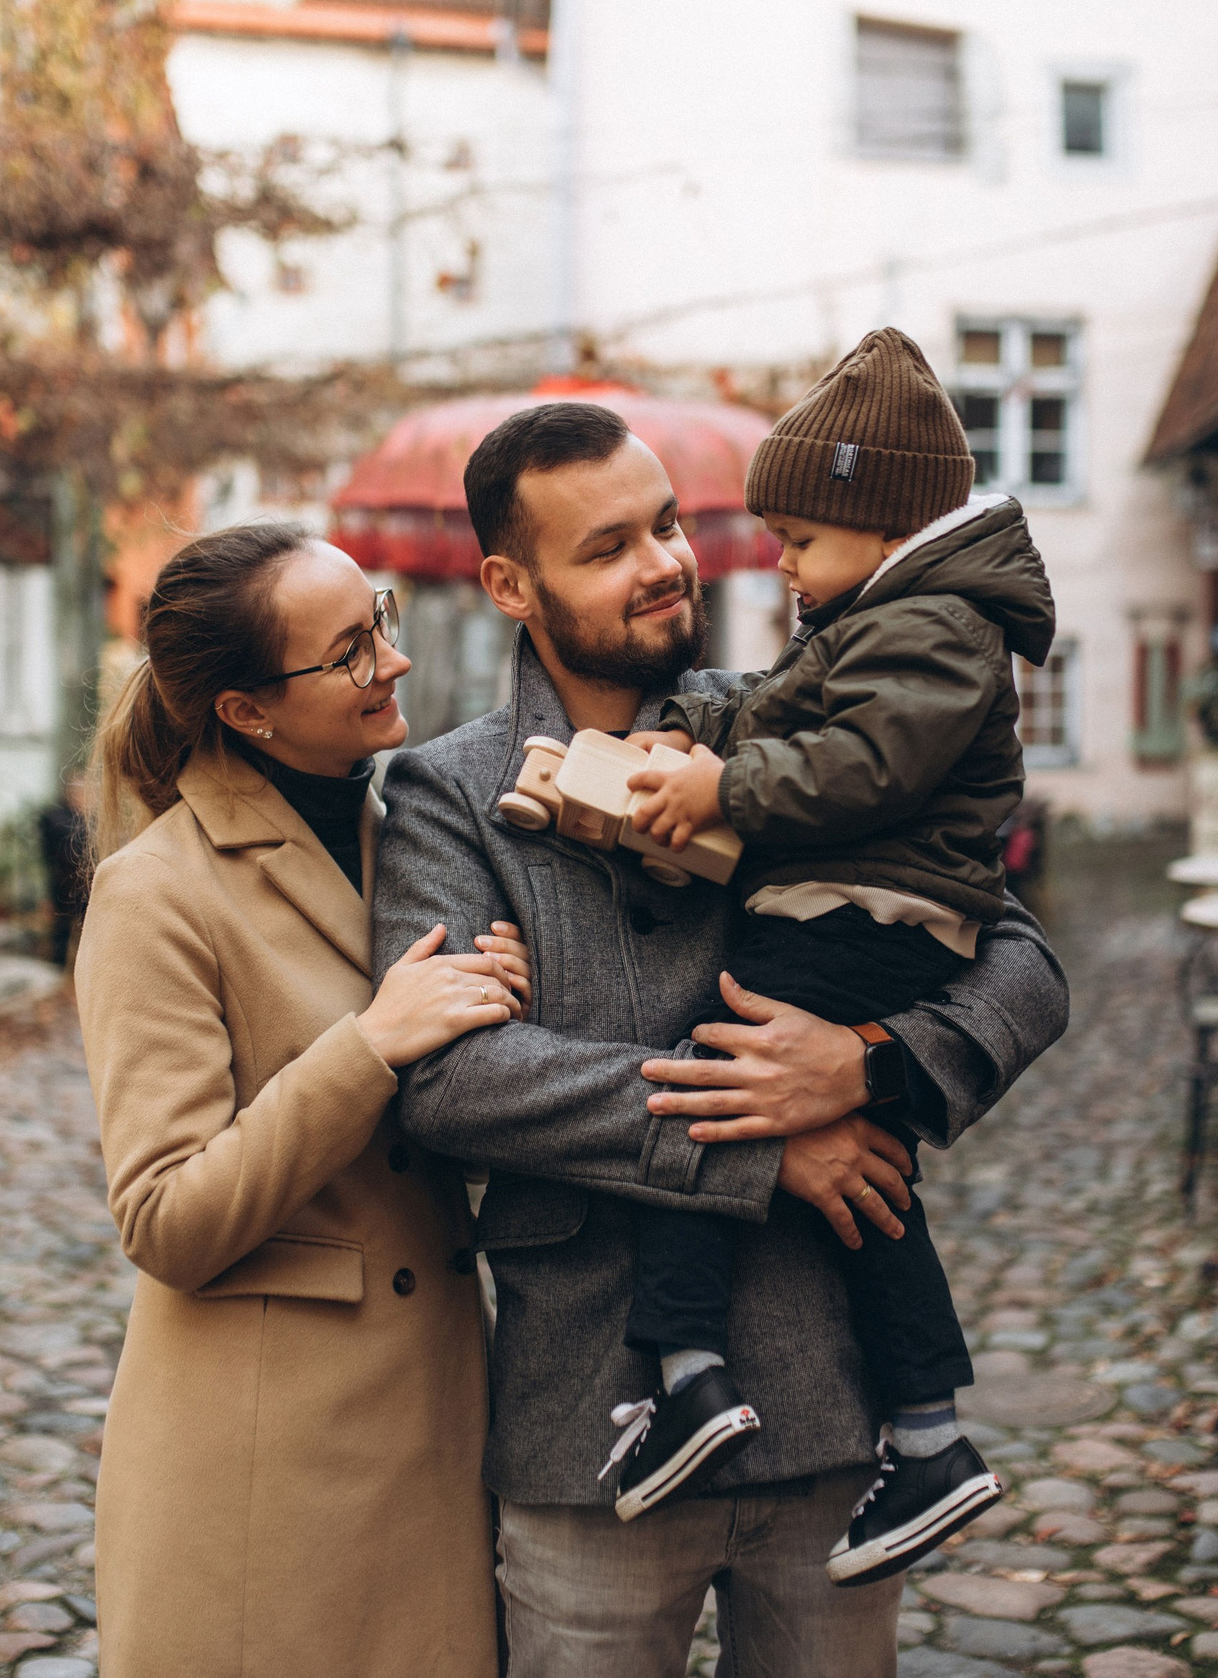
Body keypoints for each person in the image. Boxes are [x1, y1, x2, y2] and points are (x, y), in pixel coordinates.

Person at [373, 402, 1069, 1678]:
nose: (664, 562)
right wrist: (760, 1139)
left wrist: (864, 1067)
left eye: (669, 523)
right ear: (509, 584)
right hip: (591, 1413)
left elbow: (1018, 955)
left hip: (828, 1396)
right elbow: (452, 1078)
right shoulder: (449, 791)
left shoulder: (797, 725)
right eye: (608, 547)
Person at [615, 327, 1057, 1581]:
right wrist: (705, 724)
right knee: (866, 1178)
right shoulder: (874, 617)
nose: (780, 561)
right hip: (851, 909)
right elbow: (778, 707)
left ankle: (691, 1374)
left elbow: (861, 765)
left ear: (876, 521)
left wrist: (725, 790)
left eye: (799, 539)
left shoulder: (936, 627)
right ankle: (924, 1433)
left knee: (706, 1085)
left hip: (867, 913)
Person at [73, 522, 529, 1678]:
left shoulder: (414, 834)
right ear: (247, 710)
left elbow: (441, 1122)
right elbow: (164, 1216)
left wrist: (492, 1021)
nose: (394, 659)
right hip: (266, 1463)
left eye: (377, 617)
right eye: (347, 650)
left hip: (434, 1414)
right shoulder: (154, 893)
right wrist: (369, 1044)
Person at [36, 770, 91, 971]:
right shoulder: (56, 817)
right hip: (62, 883)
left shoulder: (90, 819)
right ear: (69, 793)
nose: (84, 796)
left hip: (87, 885)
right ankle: (58, 970)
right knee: (60, 931)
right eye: (79, 791)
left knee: (88, 931)